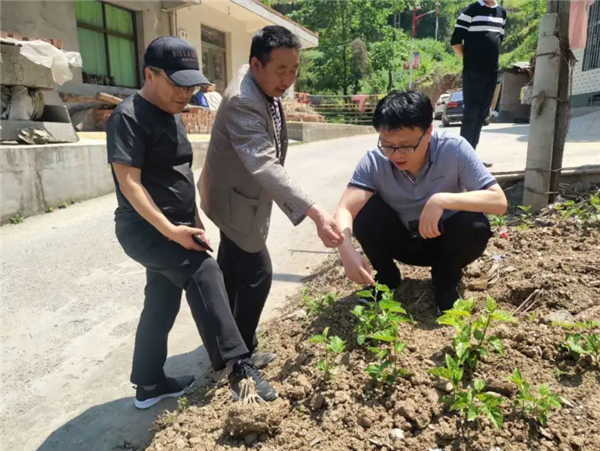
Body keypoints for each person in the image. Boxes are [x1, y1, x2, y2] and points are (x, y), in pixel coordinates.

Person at [107, 37, 278, 409]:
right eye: (177, 85)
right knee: (204, 271)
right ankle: (239, 368)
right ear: (149, 75)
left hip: (179, 226)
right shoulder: (128, 117)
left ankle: (149, 383)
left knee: (161, 300)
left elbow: (180, 174)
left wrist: (195, 219)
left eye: (191, 86)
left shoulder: (171, 114)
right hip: (145, 230)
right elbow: (129, 183)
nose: (186, 94)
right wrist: (171, 231)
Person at [199, 26, 343, 359]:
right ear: (256, 65)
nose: (288, 79)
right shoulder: (242, 101)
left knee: (231, 269)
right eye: (281, 70)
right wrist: (315, 213)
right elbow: (264, 163)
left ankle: (223, 345)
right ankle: (241, 352)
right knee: (258, 274)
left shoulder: (260, 82)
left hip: (232, 193)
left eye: (294, 70)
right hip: (233, 199)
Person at [333, 91, 507, 313]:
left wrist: (442, 200)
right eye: (387, 144)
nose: (396, 154)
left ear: (428, 132)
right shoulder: (374, 161)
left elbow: (498, 201)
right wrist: (346, 250)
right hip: (402, 242)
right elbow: (345, 208)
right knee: (364, 212)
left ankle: (445, 282)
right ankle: (387, 278)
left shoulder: (453, 149)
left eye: (406, 145)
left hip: (444, 242)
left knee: (475, 225)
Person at [451, 0, 507, 168]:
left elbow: (498, 39)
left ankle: (472, 157)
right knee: (471, 114)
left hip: (492, 71)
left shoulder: (502, 13)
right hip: (473, 71)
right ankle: (462, 158)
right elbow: (455, 41)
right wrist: (470, 59)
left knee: (482, 114)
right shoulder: (470, 11)